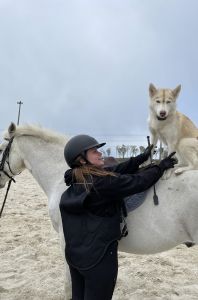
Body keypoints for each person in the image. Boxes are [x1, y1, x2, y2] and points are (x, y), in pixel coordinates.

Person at [60, 135, 176, 300]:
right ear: (82, 159)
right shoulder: (102, 184)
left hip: (75, 259)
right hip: (99, 262)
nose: (100, 154)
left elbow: (115, 170)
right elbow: (138, 182)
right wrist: (160, 167)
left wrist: (140, 158)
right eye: (94, 151)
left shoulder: (76, 180)